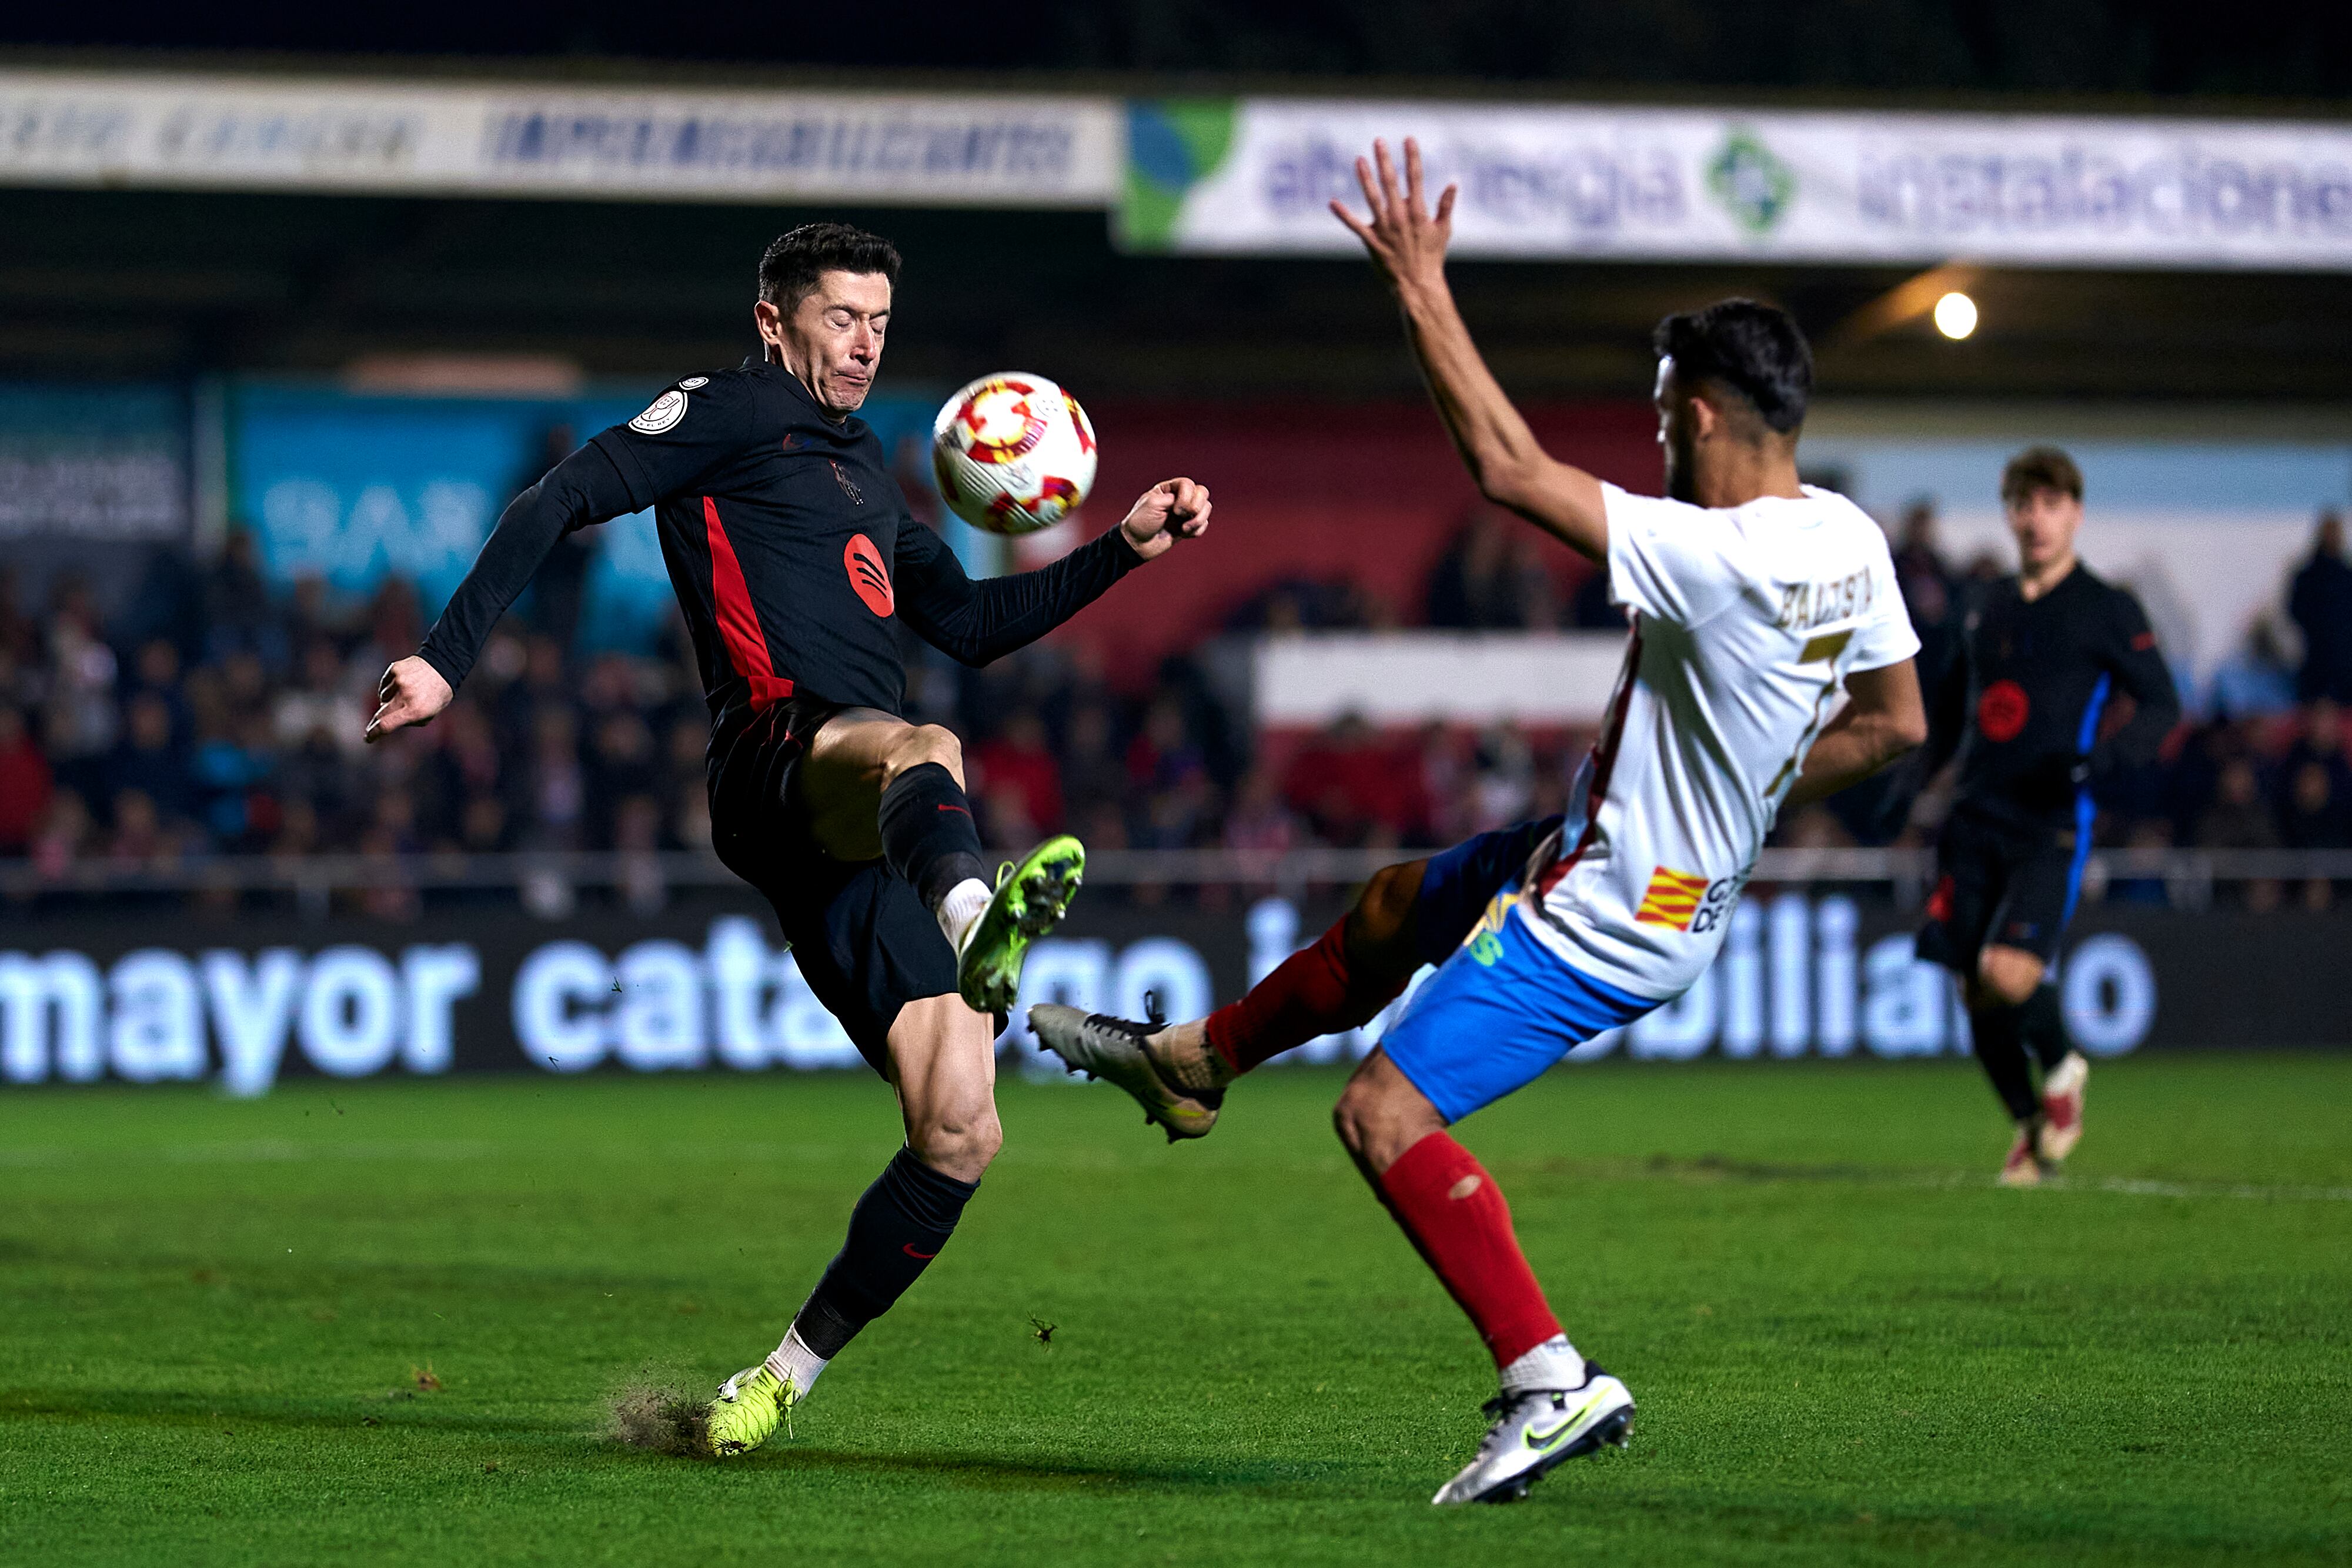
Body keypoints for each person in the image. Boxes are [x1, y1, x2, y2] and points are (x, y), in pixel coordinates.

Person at [1030, 140, 1925, 1507]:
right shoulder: (1848, 540)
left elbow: (1507, 470)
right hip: (1646, 872)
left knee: (1381, 1115)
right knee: (1397, 902)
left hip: (1607, 905)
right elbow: (1894, 725)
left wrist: (1419, 286)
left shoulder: (1716, 549)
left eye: (1665, 410)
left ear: (1705, 414)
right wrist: (1749, 790)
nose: (1656, 434)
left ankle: (1546, 1379)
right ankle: (1198, 1061)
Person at [362, 222, 1211, 1457]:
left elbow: (971, 620)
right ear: (776, 321)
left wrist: (1122, 548)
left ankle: (773, 1379)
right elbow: (560, 497)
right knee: (925, 748)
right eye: (839, 317)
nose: (863, 342)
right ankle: (979, 921)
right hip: (773, 759)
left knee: (961, 1130)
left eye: (878, 321)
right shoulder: (724, 411)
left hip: (862, 845)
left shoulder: (864, 463)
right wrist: (446, 661)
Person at [1918, 447, 2179, 1188]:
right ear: (2008, 513)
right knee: (1970, 988)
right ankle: (2031, 1128)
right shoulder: (1982, 605)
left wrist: (2106, 761)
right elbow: (1946, 711)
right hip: (1972, 818)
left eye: (2050, 504)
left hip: (2049, 822)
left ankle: (2063, 1064)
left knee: (2005, 975)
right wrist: (1910, 783)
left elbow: (2161, 703)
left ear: (2075, 513)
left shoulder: (2107, 607)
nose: (2035, 519)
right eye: (2022, 504)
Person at [2289, 509, 2352, 704]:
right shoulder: (2307, 577)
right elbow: (2296, 611)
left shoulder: (2346, 576)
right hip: (2316, 658)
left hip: (2345, 663)